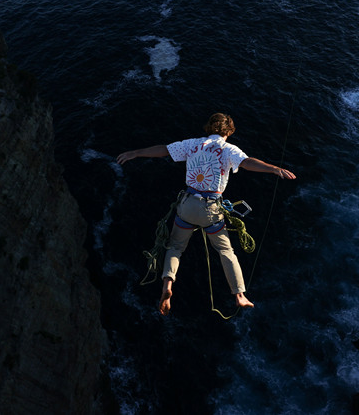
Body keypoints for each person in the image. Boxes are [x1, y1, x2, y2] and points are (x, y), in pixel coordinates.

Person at [117, 113, 296, 315]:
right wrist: (273, 169)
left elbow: (164, 150)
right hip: (210, 209)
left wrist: (136, 153)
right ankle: (239, 295)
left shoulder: (193, 144)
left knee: (175, 246)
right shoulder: (228, 149)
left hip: (187, 204)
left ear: (208, 128)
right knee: (225, 251)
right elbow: (247, 162)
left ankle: (167, 285)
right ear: (229, 132)